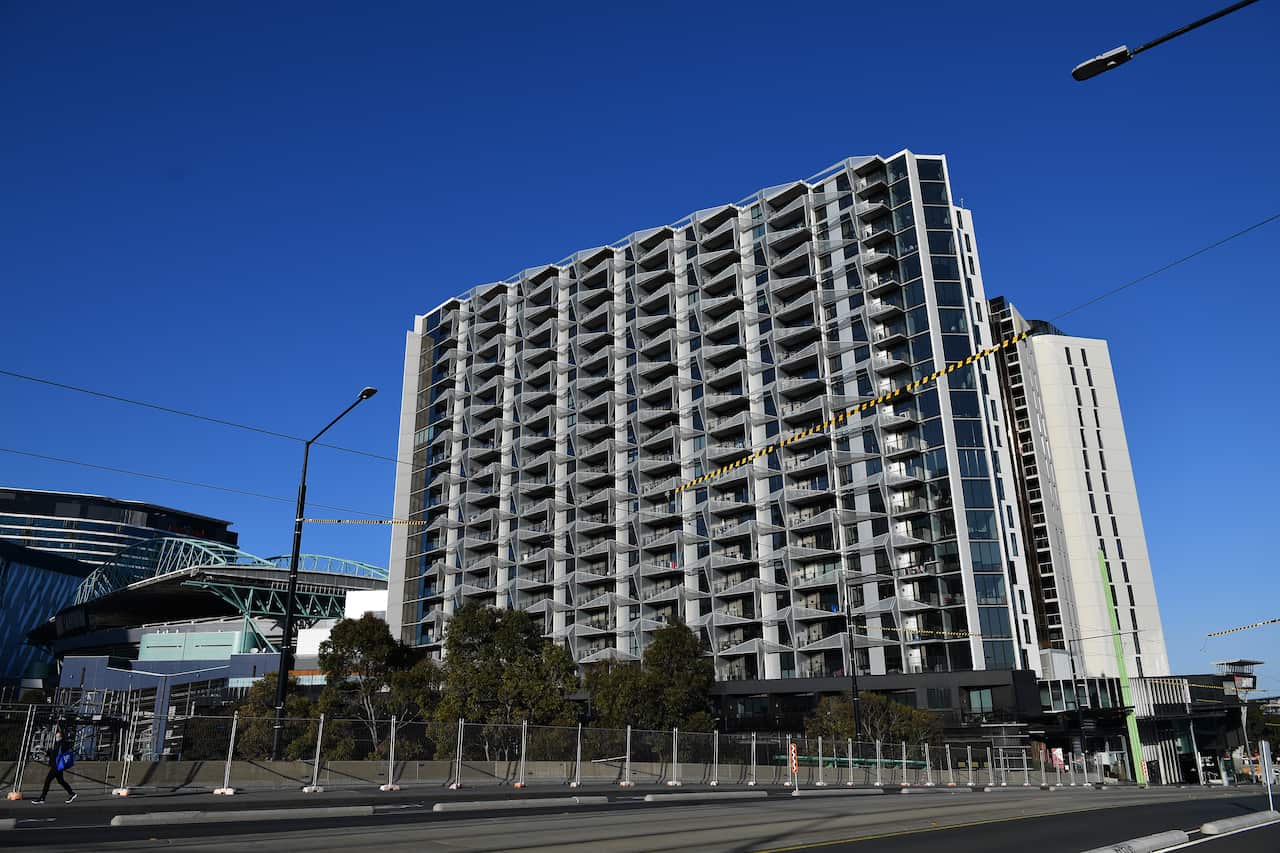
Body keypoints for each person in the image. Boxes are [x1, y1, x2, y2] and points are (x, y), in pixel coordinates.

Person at [30, 726, 77, 804]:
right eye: (56, 736)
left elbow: (58, 754)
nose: (56, 737)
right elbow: (54, 754)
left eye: (58, 736)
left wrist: (49, 753)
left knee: (47, 781)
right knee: (61, 781)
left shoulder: (62, 744)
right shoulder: (58, 744)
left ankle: (42, 798)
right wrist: (47, 752)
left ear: (61, 737)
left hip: (57, 766)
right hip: (57, 766)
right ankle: (72, 793)